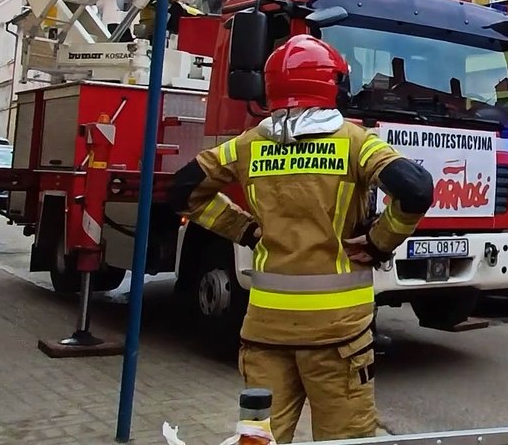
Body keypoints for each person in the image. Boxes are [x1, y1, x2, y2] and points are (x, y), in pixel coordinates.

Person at [163, 34, 434, 442]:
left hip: (265, 332)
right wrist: (378, 242)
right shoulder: (354, 142)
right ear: (333, 85)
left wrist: (245, 230)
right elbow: (416, 190)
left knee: (259, 439)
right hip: (339, 336)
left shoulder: (249, 144)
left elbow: (183, 191)